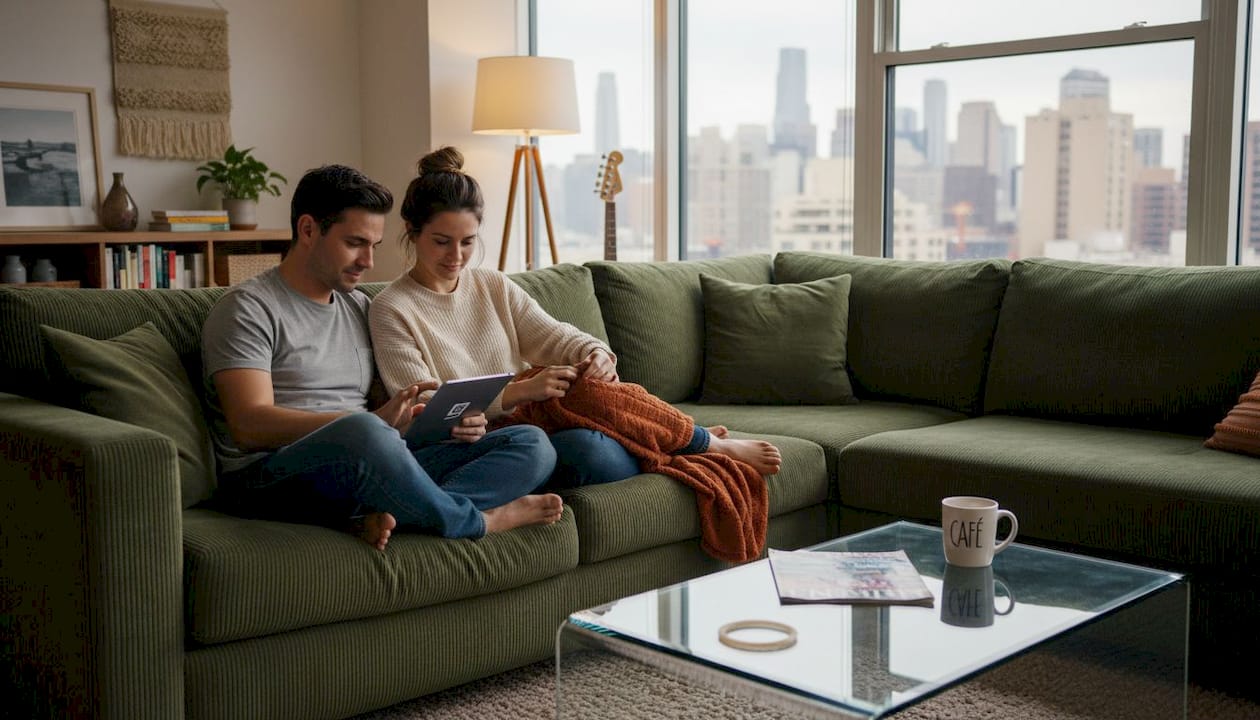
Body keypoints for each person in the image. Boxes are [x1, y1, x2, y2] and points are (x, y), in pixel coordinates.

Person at [368, 147, 782, 489]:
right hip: (485, 441)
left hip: (538, 422)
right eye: (442, 242)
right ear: (411, 230)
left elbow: (554, 335)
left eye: (468, 242)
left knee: (590, 418)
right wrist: (517, 393)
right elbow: (421, 404)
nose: (456, 257)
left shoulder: (491, 285)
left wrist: (595, 352)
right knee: (594, 453)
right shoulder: (392, 308)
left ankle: (693, 441)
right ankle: (695, 441)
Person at [201, 164, 563, 551]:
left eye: (373, 246)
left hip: (365, 463)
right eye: (355, 243)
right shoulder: (247, 309)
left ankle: (384, 515)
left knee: (530, 443)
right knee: (366, 432)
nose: (368, 261)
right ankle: (473, 520)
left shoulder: (358, 307)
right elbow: (249, 424)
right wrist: (368, 424)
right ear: (308, 230)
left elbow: (381, 415)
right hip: (270, 476)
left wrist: (421, 422)